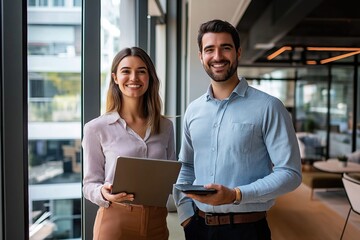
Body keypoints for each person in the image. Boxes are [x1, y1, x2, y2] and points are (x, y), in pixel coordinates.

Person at [173, 19, 302, 240]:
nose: (217, 56)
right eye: (209, 49)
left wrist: (236, 195)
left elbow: (290, 173)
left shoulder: (269, 107)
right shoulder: (193, 110)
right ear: (201, 56)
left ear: (238, 52)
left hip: (247, 230)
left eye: (225, 47)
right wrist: (186, 216)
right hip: (198, 228)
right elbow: (186, 166)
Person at [82, 47, 176, 240]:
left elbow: (172, 177)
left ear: (149, 78)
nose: (134, 78)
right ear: (115, 77)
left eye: (141, 71)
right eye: (126, 71)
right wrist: (103, 192)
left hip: (157, 222)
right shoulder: (96, 128)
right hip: (115, 221)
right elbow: (89, 184)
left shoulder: (166, 126)